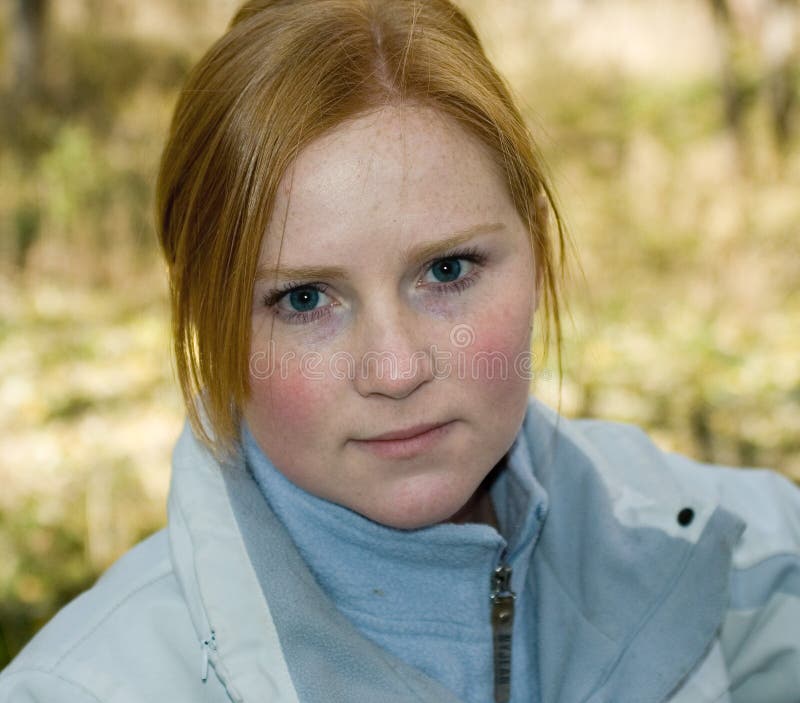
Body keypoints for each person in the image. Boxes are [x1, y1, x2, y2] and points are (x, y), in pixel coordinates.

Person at [2, 1, 799, 701]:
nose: (396, 369)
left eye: (447, 270)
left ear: (539, 249)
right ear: (208, 320)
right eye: (304, 298)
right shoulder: (84, 687)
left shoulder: (747, 564)